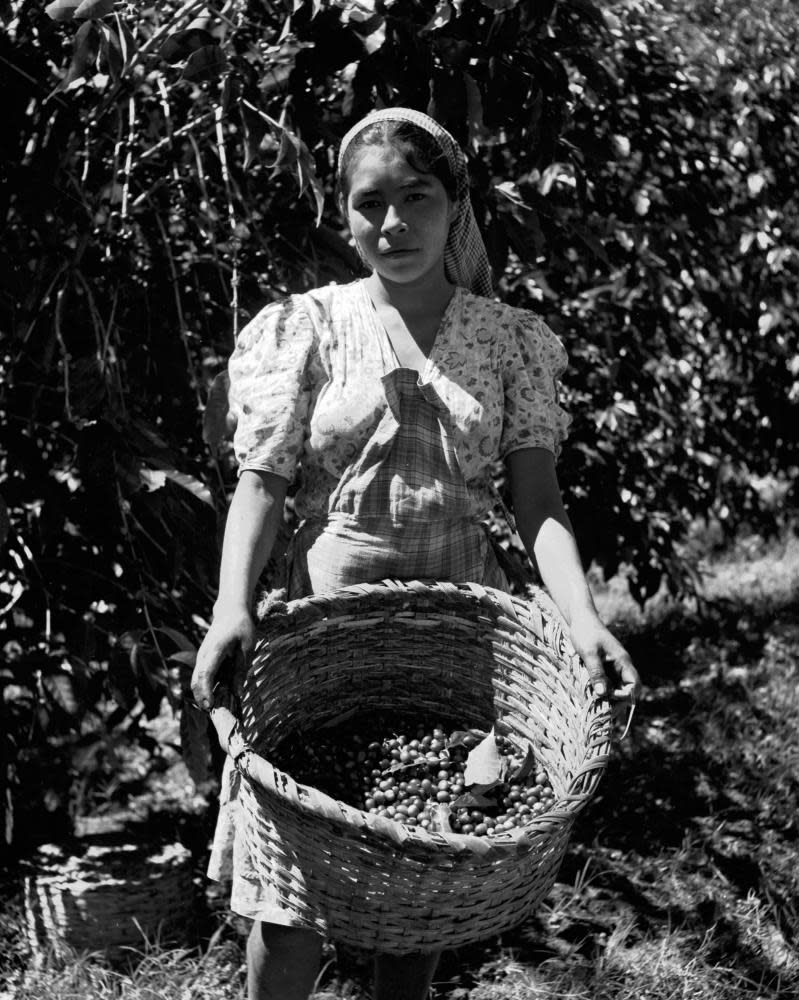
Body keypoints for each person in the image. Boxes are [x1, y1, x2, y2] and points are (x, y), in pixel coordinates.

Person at [191, 107, 641, 1000]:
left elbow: (538, 502)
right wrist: (233, 607)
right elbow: (263, 484)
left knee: (420, 891)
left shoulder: (505, 339)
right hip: (324, 634)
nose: (391, 223)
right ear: (343, 214)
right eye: (369, 203)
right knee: (292, 910)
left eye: (415, 197)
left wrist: (581, 617)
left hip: (457, 636)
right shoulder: (305, 328)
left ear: (453, 204)